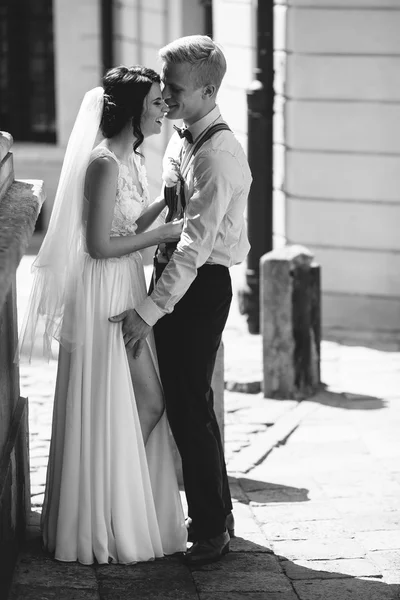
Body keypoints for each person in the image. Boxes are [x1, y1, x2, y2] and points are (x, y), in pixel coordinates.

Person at [19, 66, 188, 565]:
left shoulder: (130, 160)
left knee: (138, 400)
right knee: (145, 400)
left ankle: (112, 499)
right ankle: (105, 505)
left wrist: (165, 202)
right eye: (157, 101)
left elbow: (125, 221)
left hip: (124, 283)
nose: (164, 109)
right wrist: (160, 236)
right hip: (103, 292)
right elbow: (96, 244)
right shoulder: (101, 163)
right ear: (135, 109)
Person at [110, 36, 252, 566]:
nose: (164, 96)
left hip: (199, 286)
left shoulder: (217, 155)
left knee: (190, 409)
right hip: (173, 276)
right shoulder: (181, 136)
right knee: (189, 407)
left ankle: (211, 529)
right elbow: (169, 210)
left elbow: (194, 248)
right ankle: (218, 516)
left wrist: (147, 313)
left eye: (173, 87)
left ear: (208, 90)